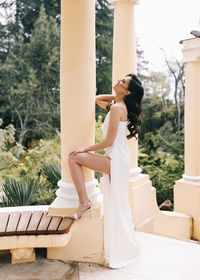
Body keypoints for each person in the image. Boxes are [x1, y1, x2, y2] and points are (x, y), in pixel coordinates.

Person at [68, 73, 144, 268]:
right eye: (122, 79)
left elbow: (108, 142)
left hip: (116, 159)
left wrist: (84, 148)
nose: (119, 80)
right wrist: (120, 95)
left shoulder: (119, 108)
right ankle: (85, 202)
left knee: (75, 157)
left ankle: (84, 202)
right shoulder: (117, 106)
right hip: (116, 158)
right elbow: (97, 99)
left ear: (127, 90)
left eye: (123, 82)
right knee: (117, 203)